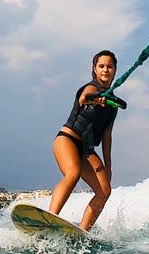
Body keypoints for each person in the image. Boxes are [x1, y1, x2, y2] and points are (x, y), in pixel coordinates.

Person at [49, 50, 120, 231]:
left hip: (86, 150)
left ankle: (83, 231)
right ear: (94, 69)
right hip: (67, 140)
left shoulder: (112, 106)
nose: (105, 69)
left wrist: (109, 167)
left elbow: (106, 136)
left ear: (115, 70)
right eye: (101, 66)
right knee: (73, 173)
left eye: (109, 66)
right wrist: (95, 99)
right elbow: (85, 97)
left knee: (105, 191)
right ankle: (49, 220)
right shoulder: (91, 88)